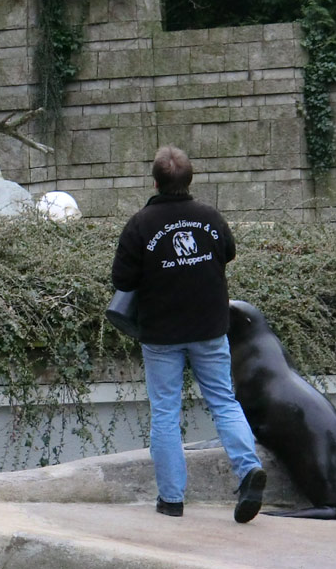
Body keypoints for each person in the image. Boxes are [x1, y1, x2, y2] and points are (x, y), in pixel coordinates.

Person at [111, 145, 266, 522]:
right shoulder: (210, 217)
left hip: (161, 335)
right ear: (189, 180)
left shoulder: (140, 224)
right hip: (210, 329)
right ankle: (248, 471)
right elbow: (227, 253)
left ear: (155, 182)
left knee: (165, 412)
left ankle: (172, 499)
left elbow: (121, 279)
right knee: (224, 403)